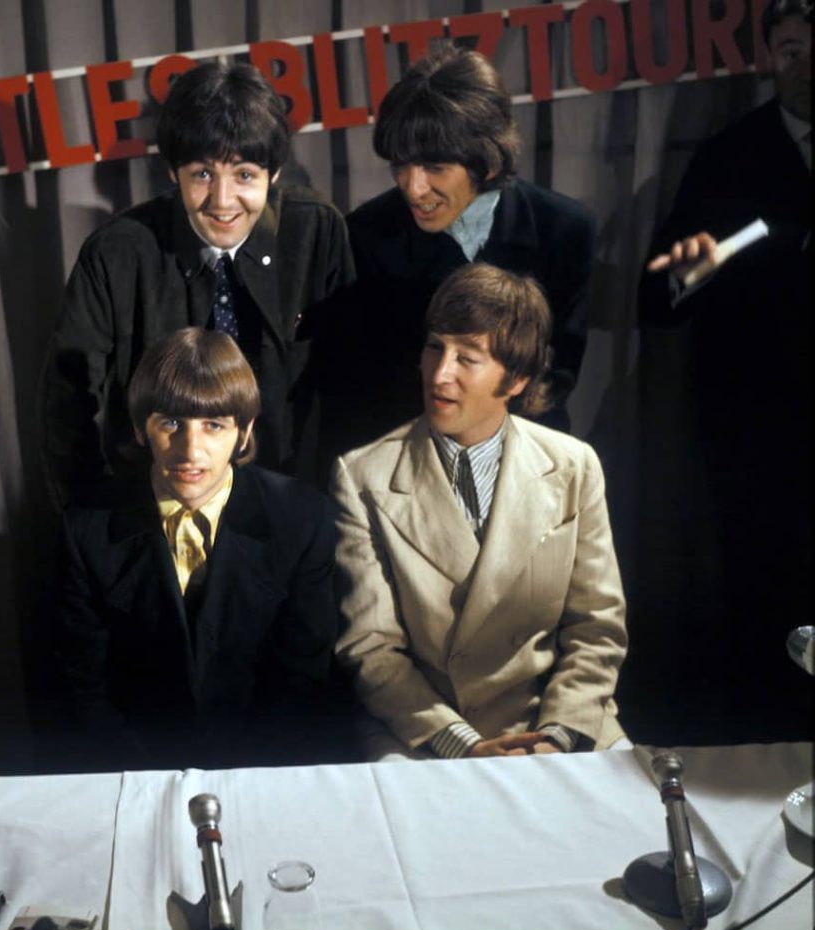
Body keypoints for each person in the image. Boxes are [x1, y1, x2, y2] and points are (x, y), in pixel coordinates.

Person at [332, 264, 627, 759]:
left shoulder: (574, 466)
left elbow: (596, 628)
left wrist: (555, 737)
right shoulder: (364, 475)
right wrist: (466, 746)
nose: (439, 373)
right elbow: (372, 651)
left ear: (516, 379)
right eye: (433, 348)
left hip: (558, 723)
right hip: (425, 732)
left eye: (466, 358)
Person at [41, 61, 354, 507]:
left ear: (275, 173)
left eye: (244, 175)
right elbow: (66, 401)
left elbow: (352, 385)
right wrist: (92, 522)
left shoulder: (316, 233)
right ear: (173, 173)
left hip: (292, 502)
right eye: (202, 175)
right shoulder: (117, 252)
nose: (222, 201)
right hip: (157, 507)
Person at [56, 328, 354, 769]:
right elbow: (85, 689)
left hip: (262, 768)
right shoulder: (87, 529)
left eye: (213, 425)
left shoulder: (301, 518)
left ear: (244, 430)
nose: (190, 451)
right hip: (135, 770)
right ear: (141, 428)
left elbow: (302, 679)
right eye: (170, 423)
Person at [639, 0, 811, 737]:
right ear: (769, 56)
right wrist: (691, 274)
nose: (807, 65)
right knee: (765, 605)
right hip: (759, 435)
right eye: (793, 48)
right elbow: (657, 299)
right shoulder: (729, 155)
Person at [324, 44, 594, 461]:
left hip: (527, 455)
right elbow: (363, 394)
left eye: (434, 168)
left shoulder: (564, 229)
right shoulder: (365, 235)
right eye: (400, 165)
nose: (412, 188)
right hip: (407, 465)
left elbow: (554, 377)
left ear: (486, 161)